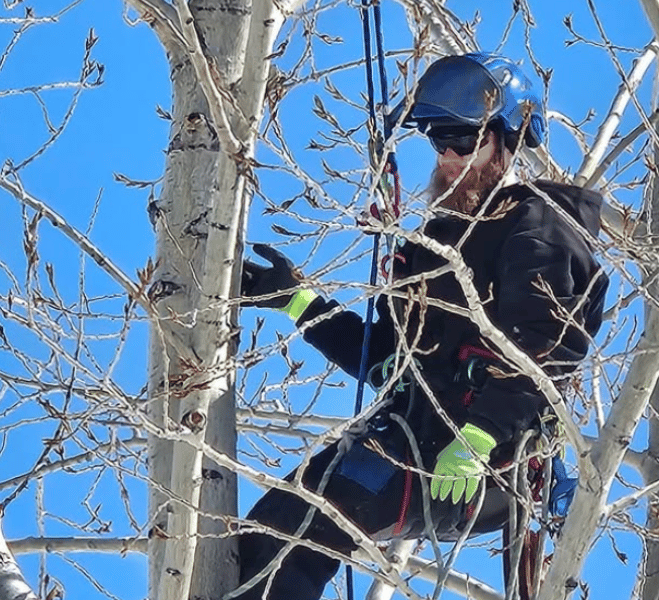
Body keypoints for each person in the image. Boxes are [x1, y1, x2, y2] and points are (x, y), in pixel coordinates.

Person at [235, 53, 608, 600]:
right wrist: (299, 303)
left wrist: (482, 435)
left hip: (485, 455)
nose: (452, 157)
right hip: (414, 437)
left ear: (508, 142)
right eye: (440, 141)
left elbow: (545, 343)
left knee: (294, 534)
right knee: (265, 531)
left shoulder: (539, 223)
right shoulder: (432, 248)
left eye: (466, 140)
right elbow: (388, 357)